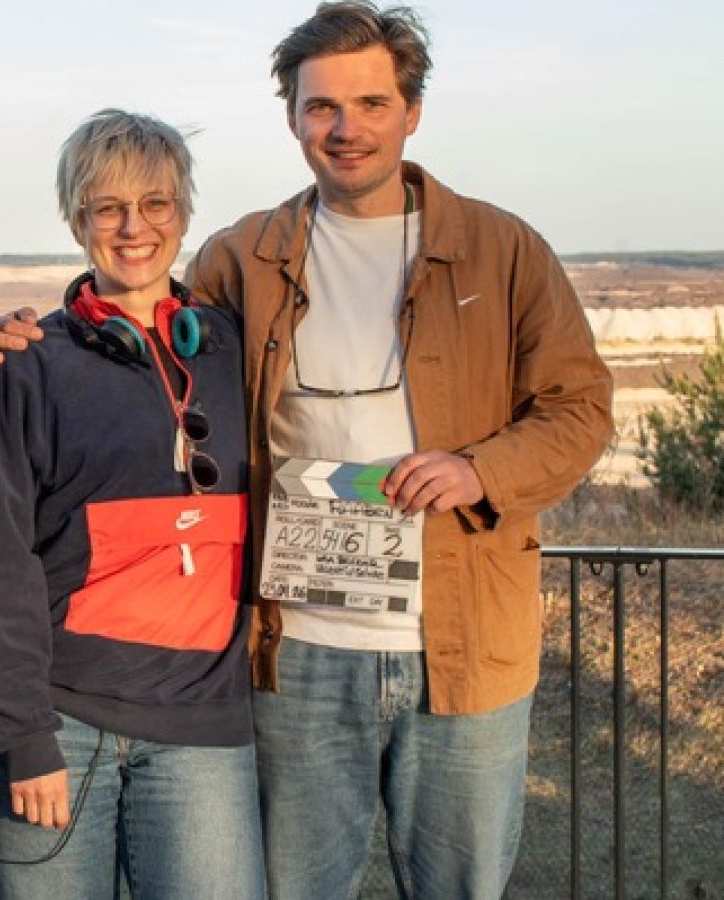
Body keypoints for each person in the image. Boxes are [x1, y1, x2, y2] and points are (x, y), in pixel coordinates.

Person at [184, 3, 614, 897]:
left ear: (412, 111)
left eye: (372, 104)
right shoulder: (240, 256)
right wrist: (48, 333)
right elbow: (162, 370)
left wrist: (479, 470)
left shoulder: (503, 250)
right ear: (292, 115)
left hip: (462, 653)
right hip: (294, 649)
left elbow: (579, 410)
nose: (346, 130)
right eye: (321, 107)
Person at [0, 109, 265, 900]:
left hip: (202, 729)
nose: (134, 228)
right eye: (107, 208)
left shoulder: (234, 351)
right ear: (77, 220)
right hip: (60, 726)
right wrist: (21, 736)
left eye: (155, 204)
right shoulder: (31, 363)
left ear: (184, 212)